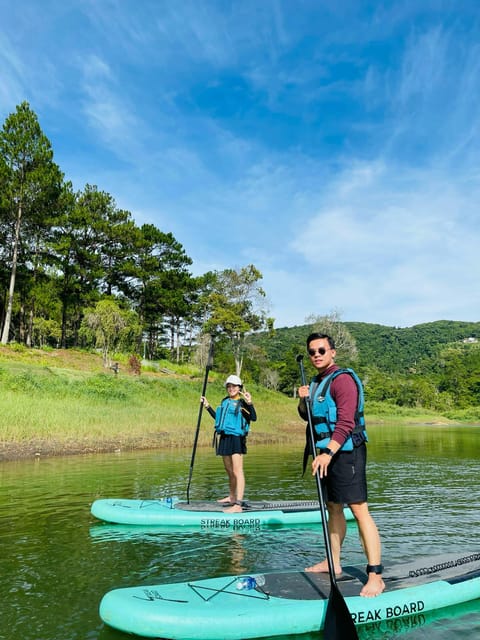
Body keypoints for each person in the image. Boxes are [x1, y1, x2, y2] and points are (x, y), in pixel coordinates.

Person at [297, 332, 385, 598]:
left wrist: (327, 453)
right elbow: (308, 416)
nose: (316, 356)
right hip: (326, 453)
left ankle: (375, 576)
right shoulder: (315, 383)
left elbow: (346, 422)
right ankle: (333, 563)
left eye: (321, 350)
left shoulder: (342, 380)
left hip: (346, 453)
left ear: (332, 352)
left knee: (359, 510)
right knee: (333, 508)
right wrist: (303, 399)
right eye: (312, 352)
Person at [201, 374, 256, 513]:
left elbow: (253, 417)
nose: (231, 389)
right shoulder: (225, 401)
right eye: (229, 386)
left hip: (236, 439)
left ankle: (238, 504)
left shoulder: (242, 403)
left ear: (239, 388)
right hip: (224, 438)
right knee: (229, 471)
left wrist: (250, 402)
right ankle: (231, 497)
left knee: (238, 471)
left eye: (234, 386)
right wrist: (207, 406)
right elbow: (218, 418)